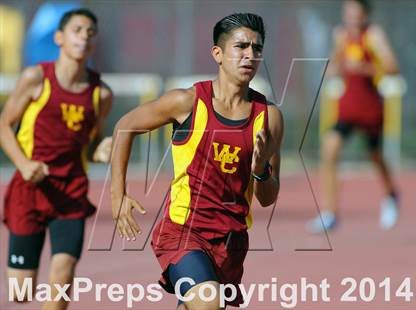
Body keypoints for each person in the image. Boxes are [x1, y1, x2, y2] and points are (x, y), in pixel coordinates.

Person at [111, 13, 283, 309]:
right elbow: (124, 127)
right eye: (240, 47)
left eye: (257, 49)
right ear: (217, 53)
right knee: (207, 302)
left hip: (232, 241)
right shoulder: (187, 102)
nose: (250, 55)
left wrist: (260, 172)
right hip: (183, 230)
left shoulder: (269, 118)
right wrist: (118, 196)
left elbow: (267, 198)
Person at [0, 8, 112, 309]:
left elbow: (93, 142)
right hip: (30, 190)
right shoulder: (35, 78)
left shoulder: (100, 93)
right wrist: (23, 165)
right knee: (22, 292)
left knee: (63, 274)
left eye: (91, 33)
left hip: (71, 192)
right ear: (59, 38)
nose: (84, 37)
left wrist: (101, 149)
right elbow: (3, 125)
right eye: (78, 30)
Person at [306, 0, 400, 233]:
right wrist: (331, 70)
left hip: (370, 108)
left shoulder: (374, 35)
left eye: (356, 12)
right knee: (330, 149)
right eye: (348, 12)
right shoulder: (341, 35)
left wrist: (365, 68)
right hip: (348, 106)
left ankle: (391, 194)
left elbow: (392, 67)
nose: (352, 17)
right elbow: (334, 65)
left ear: (365, 14)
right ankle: (330, 213)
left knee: (375, 156)